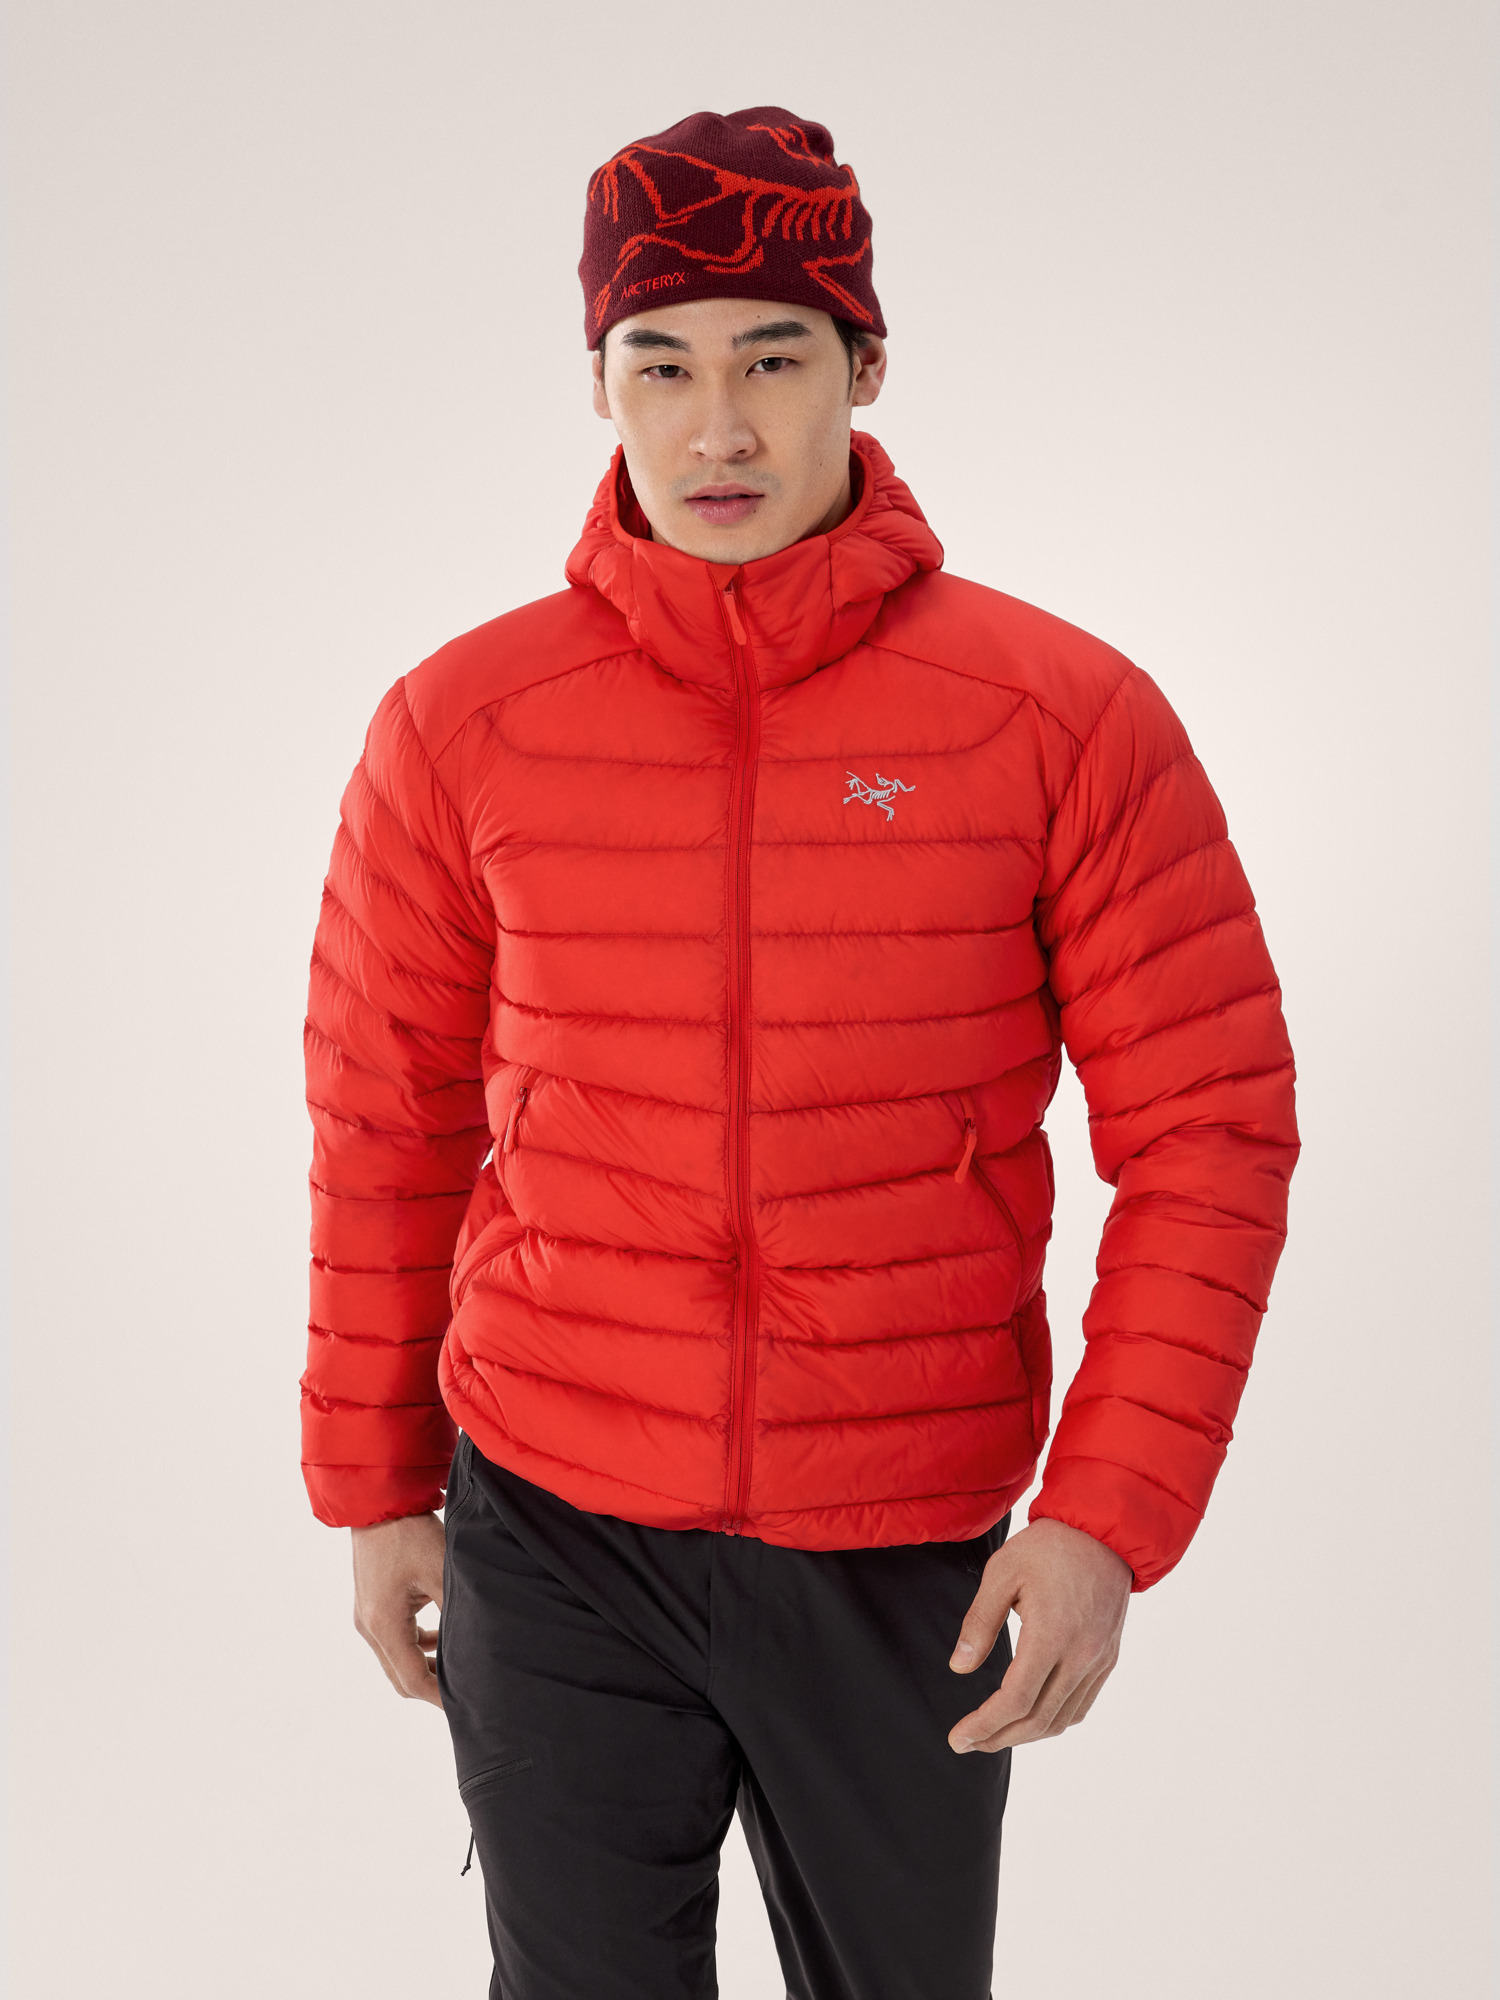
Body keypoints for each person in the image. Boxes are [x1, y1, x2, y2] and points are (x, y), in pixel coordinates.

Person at [301, 106, 1298, 2000]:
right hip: (555, 1520)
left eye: (773, 359)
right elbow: (387, 1123)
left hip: (904, 1539)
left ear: (866, 365)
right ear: (599, 385)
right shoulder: (462, 722)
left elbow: (1212, 1133)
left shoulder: (1059, 716)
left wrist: (1105, 1517)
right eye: (659, 367)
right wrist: (376, 1482)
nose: (719, 429)